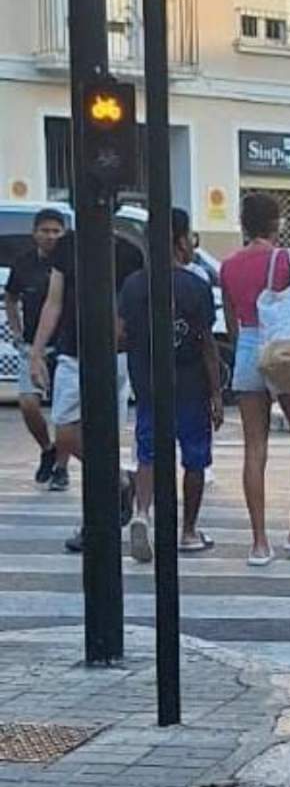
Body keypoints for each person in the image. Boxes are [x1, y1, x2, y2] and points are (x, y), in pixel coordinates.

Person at [220, 192, 290, 567]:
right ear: (276, 223)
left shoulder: (229, 266)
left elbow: (232, 323)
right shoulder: (289, 258)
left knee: (254, 447)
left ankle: (259, 543)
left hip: (249, 346)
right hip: (285, 349)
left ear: (244, 223)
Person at [117, 208, 223, 562]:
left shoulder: (133, 285)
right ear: (180, 241)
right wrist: (217, 394)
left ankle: (141, 514)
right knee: (194, 459)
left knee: (147, 452)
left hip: (148, 385)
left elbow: (119, 335)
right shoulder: (196, 286)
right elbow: (208, 344)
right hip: (190, 385)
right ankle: (189, 530)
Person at [30, 230, 140, 551]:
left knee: (104, 437)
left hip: (115, 355)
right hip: (73, 350)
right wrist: (37, 350)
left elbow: (134, 301)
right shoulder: (69, 246)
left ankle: (92, 525)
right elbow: (54, 300)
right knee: (64, 432)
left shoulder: (129, 250)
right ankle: (119, 479)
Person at [7, 208, 65, 487]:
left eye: (56, 231)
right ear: (35, 233)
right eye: (46, 230)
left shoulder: (70, 263)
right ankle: (47, 449)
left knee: (65, 413)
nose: (51, 236)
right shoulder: (23, 264)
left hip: (64, 347)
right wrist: (17, 333)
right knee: (29, 404)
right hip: (31, 346)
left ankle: (62, 469)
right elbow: (10, 298)